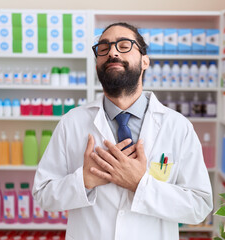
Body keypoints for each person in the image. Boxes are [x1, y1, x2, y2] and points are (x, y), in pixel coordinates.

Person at [32, 22, 213, 240]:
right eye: (103, 48)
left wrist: (140, 184)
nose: (113, 52)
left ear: (145, 61)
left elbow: (199, 206)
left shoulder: (177, 127)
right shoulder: (72, 123)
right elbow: (43, 194)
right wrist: (84, 181)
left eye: (124, 45)